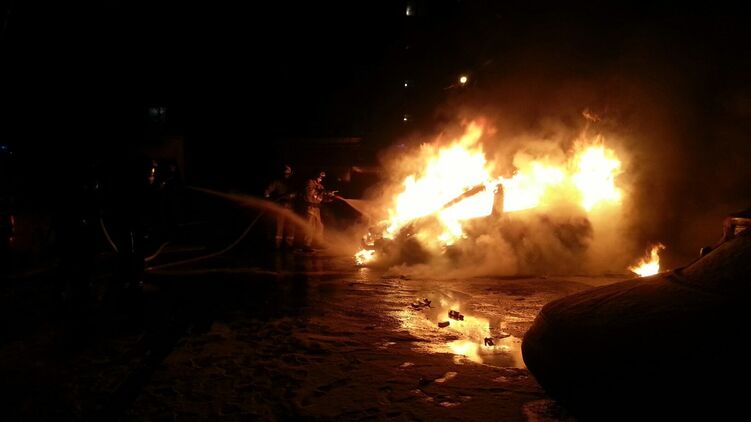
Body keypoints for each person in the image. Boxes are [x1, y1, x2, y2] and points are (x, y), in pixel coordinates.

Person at [264, 164, 296, 248]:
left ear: (291, 172)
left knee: (290, 227)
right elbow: (267, 191)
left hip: (290, 207)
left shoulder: (293, 182)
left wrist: (294, 195)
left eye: (288, 171)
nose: (287, 173)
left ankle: (289, 245)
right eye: (285, 171)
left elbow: (297, 192)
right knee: (279, 226)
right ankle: (277, 245)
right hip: (280, 207)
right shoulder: (277, 181)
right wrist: (269, 199)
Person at [302, 170, 336, 250]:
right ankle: (306, 245)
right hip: (310, 207)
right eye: (320, 176)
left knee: (320, 226)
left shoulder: (320, 186)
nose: (321, 178)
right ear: (316, 176)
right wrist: (321, 191)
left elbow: (322, 198)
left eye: (322, 177)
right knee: (310, 226)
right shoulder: (310, 182)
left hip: (317, 208)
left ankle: (318, 243)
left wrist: (330, 196)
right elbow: (309, 193)